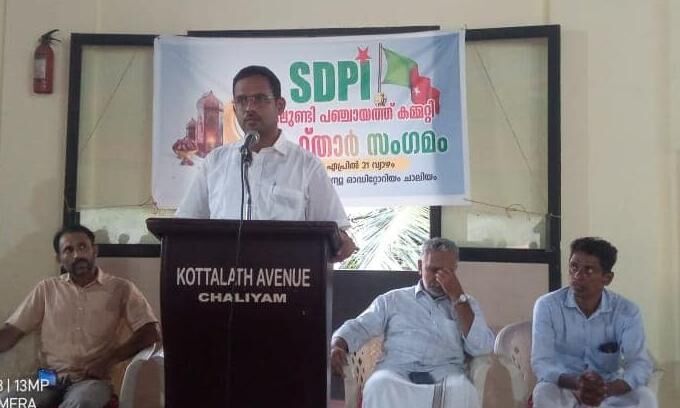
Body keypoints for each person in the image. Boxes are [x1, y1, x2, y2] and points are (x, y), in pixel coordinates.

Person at [176, 65, 356, 262]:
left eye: (260, 99)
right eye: (242, 100)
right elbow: (184, 227)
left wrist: (342, 241)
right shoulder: (215, 162)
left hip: (287, 276)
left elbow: (335, 234)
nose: (249, 108)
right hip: (223, 277)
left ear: (280, 106)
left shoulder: (306, 165)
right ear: (235, 109)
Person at [0, 225, 160, 407]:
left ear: (94, 251)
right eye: (68, 250)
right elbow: (11, 333)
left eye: (83, 247)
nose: (77, 255)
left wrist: (109, 360)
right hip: (47, 378)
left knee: (81, 403)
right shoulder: (47, 289)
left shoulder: (121, 289)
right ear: (59, 259)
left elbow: (150, 332)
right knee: (7, 402)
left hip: (91, 380)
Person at [330, 238, 493, 408]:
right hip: (396, 372)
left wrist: (458, 298)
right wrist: (338, 345)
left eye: (447, 272)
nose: (439, 278)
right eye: (433, 270)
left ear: (455, 270)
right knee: (378, 385)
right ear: (420, 266)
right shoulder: (392, 300)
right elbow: (359, 326)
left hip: (445, 375)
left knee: (464, 391)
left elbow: (482, 347)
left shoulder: (466, 304)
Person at [531, 237, 656, 408]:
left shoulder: (627, 311)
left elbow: (639, 364)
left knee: (645, 398)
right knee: (543, 393)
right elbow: (541, 362)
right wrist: (577, 383)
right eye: (573, 267)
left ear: (607, 278)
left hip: (608, 388)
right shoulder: (547, 306)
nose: (577, 276)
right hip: (565, 386)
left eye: (588, 270)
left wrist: (606, 389)